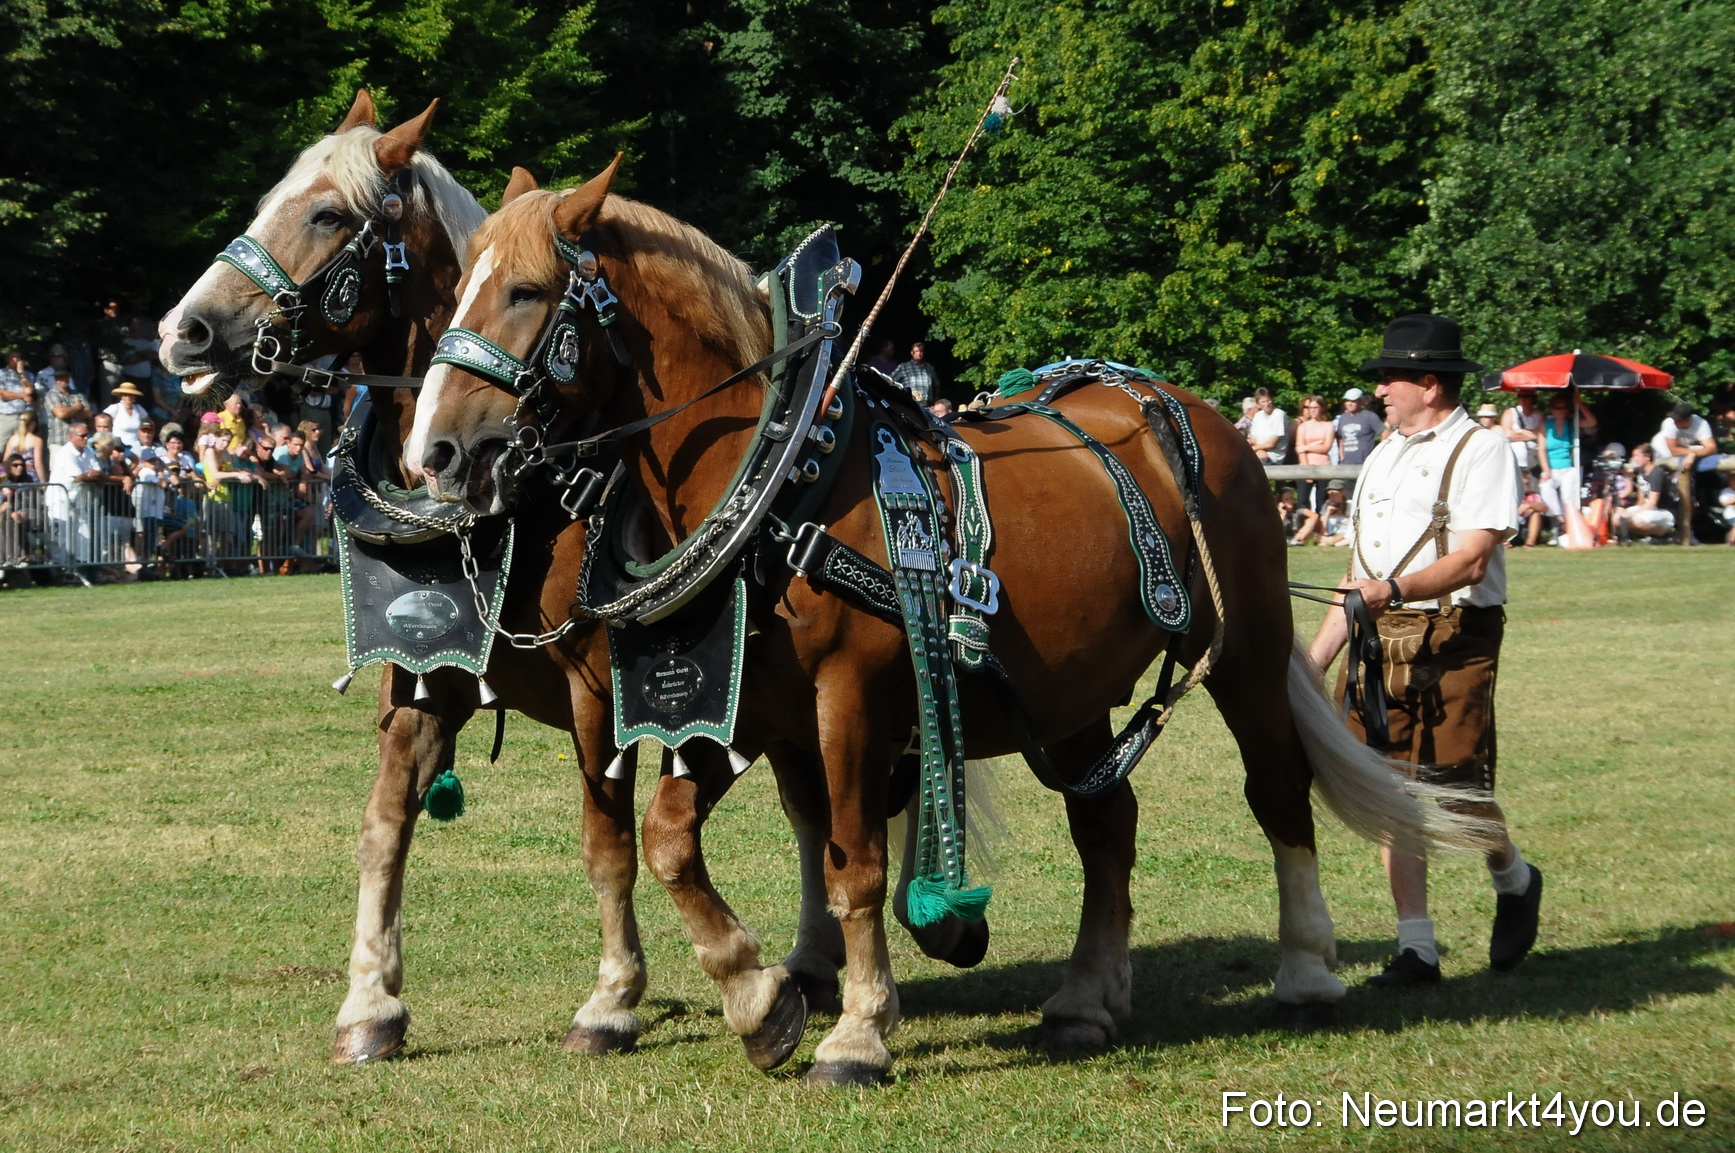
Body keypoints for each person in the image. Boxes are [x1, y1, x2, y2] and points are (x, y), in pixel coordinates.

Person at [1308, 313, 1541, 987]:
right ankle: (1417, 948)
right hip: (1380, 629)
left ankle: (1514, 876)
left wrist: (1393, 587)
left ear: (1429, 384)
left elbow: (1471, 559)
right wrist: (1315, 657)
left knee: (1453, 789)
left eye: (1390, 377)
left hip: (1454, 631)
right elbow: (1355, 575)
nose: (1379, 389)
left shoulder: (1482, 449)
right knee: (1389, 786)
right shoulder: (1383, 453)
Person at [47, 419, 102, 577]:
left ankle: (78, 571)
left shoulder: (88, 451)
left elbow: (98, 471)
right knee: (60, 538)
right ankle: (60, 572)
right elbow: (79, 477)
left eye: (87, 436)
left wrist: (93, 475)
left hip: (78, 500)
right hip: (60, 499)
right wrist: (91, 475)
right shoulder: (65, 453)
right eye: (82, 436)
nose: (86, 439)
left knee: (84, 535)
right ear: (71, 437)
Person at [1535, 392, 1597, 530]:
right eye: (1558, 408)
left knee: (1568, 498)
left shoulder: (1572, 422)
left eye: (1564, 408)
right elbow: (1541, 450)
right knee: (1546, 488)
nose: (1562, 410)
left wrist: (1579, 403)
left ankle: (1568, 526)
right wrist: (1546, 471)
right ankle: (1560, 518)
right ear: (1552, 409)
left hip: (1569, 467)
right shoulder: (1546, 425)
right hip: (1551, 468)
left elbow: (1592, 422)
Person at [1614, 444, 1680, 542]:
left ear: (1647, 457)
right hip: (1648, 509)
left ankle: (1667, 533)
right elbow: (1628, 472)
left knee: (1636, 520)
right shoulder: (1641, 470)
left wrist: (1630, 513)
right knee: (1616, 518)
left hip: (1664, 511)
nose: (1634, 459)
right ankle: (1646, 535)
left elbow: (1652, 504)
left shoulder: (1656, 473)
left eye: (1637, 456)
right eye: (1633, 456)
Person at [1332, 387, 1385, 501]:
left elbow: (1385, 433)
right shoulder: (1343, 418)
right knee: (1349, 498)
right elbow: (1340, 438)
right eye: (1347, 401)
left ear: (1360, 401)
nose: (1349, 403)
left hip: (1365, 464)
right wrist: (1342, 456)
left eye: (1353, 401)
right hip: (1347, 465)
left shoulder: (1370, 416)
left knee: (1365, 496)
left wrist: (1380, 452)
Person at [1292, 396, 1335, 511]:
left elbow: (1326, 447)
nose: (1313, 410)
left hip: (1323, 466)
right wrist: (1307, 470)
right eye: (1310, 408)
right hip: (1306, 465)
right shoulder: (1302, 426)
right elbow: (1299, 448)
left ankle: (1321, 525)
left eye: (1316, 407)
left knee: (1321, 501)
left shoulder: (1328, 425)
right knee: (1303, 501)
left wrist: (1306, 447)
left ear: (1321, 408)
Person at [41, 369, 91, 450]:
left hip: (79, 442)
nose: (63, 379)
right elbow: (61, 414)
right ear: (56, 379)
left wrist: (67, 410)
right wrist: (77, 407)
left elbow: (88, 413)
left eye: (65, 377)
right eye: (60, 377)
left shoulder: (78, 394)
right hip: (59, 441)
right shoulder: (51, 394)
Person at [0, 350, 38, 450]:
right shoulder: (1, 373)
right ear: (7, 359)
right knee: (1, 446)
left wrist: (21, 373)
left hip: (24, 416)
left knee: (21, 447)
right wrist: (22, 395)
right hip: (7, 416)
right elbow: (3, 394)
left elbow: (29, 391)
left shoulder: (28, 374)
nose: (17, 360)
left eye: (19, 357)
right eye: (13, 357)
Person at [1499, 390, 1543, 474]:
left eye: (1526, 396)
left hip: (1534, 461)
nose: (1522, 399)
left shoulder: (1540, 415)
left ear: (1533, 398)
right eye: (1520, 396)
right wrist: (1531, 434)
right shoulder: (1510, 412)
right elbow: (1508, 435)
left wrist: (1520, 431)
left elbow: (1540, 435)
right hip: (1514, 462)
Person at [3, 409, 48, 484]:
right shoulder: (36, 440)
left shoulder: (12, 439)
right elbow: (38, 464)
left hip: (14, 475)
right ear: (33, 424)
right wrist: (44, 482)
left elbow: (5, 460)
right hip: (30, 476)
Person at [1246, 387, 1288, 465]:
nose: (1267, 404)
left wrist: (1253, 449)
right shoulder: (1258, 416)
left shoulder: (1278, 414)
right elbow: (1254, 439)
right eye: (1263, 402)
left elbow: (1271, 444)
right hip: (1258, 453)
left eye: (1268, 400)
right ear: (1258, 404)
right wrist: (1259, 450)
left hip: (1273, 456)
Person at [891, 342, 940, 406]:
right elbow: (891, 381)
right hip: (910, 404)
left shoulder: (929, 368)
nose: (919, 354)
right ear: (912, 353)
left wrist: (936, 398)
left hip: (927, 405)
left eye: (921, 351)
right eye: (916, 351)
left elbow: (937, 384)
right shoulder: (904, 367)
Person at [103, 381, 148, 447]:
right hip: (118, 446)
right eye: (125, 395)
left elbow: (148, 423)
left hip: (136, 446)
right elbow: (101, 419)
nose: (128, 397)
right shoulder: (115, 408)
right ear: (121, 396)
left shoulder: (139, 409)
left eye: (131, 395)